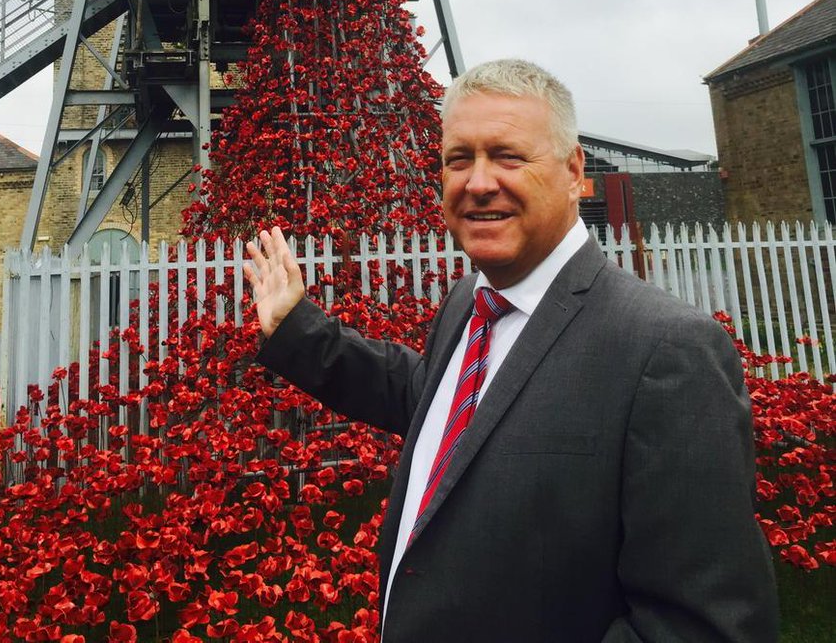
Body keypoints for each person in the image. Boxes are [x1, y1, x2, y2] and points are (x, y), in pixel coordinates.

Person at [245, 59, 778, 642]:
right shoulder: (470, 301)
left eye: (508, 156)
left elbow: (699, 627)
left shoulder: (665, 350)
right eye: (458, 159)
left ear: (575, 171)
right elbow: (432, 402)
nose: (477, 183)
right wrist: (298, 330)